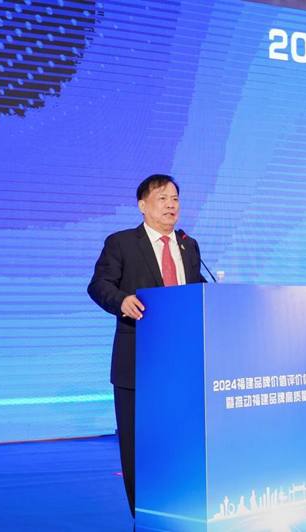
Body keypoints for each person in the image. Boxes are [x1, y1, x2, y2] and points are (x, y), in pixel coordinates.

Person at [87, 174, 207, 517]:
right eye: (162, 199)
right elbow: (99, 285)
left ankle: (182, 509)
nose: (171, 205)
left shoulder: (188, 245)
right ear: (142, 205)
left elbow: (196, 290)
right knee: (138, 445)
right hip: (137, 362)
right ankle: (143, 516)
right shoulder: (122, 242)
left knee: (180, 441)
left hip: (183, 363)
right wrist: (122, 301)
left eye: (175, 199)